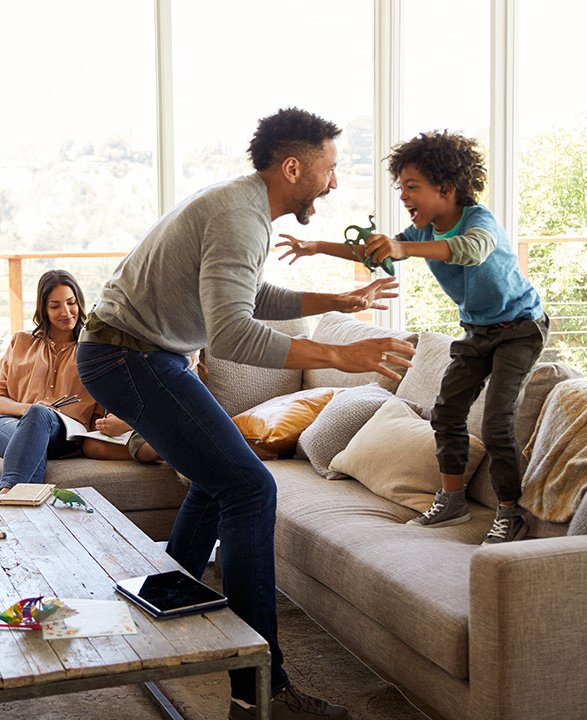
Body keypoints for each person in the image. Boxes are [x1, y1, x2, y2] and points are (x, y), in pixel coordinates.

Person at [77, 107, 416, 720]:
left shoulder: (242, 207)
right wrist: (341, 351)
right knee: (251, 488)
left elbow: (244, 294)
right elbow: (232, 332)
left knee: (222, 478)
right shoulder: (239, 215)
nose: (334, 184)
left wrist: (335, 298)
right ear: (293, 167)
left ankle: (169, 607)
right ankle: (262, 692)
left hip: (141, 353)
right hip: (126, 356)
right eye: (329, 169)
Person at [277, 130, 548, 545]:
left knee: (496, 423)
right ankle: (452, 500)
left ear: (447, 188)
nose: (403, 196)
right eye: (400, 186)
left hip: (520, 329)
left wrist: (404, 250)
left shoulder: (479, 222)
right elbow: (376, 251)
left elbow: (470, 250)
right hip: (477, 331)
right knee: (446, 414)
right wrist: (316, 246)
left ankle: (510, 512)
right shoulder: (421, 233)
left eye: (412, 187)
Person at [0, 269, 118, 493]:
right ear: (43, 308)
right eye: (55, 306)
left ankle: (7, 494)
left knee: (37, 423)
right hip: (8, 425)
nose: (66, 312)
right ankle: (19, 499)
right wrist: (29, 408)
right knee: (33, 425)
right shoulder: (21, 342)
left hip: (62, 436)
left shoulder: (93, 350)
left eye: (71, 303)